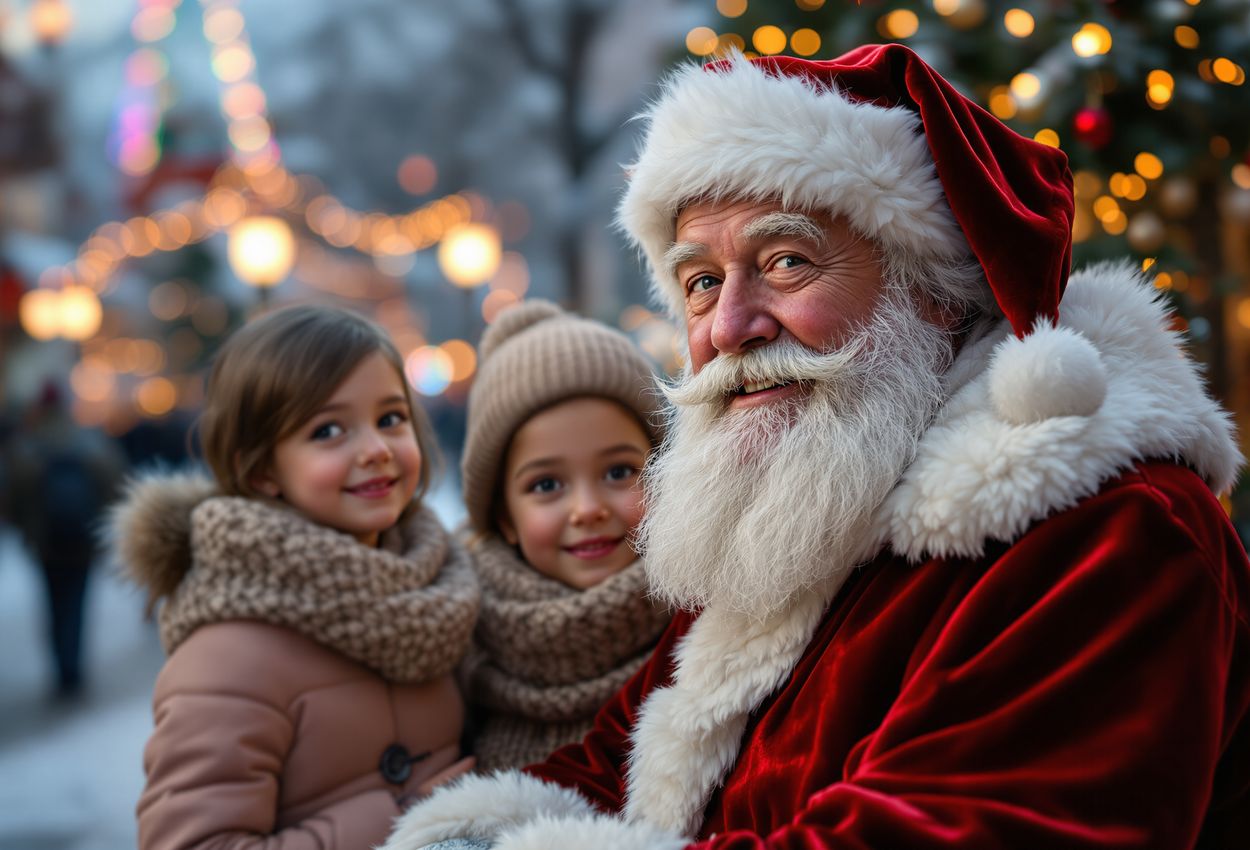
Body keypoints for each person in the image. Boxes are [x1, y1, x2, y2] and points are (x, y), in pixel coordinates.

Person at [382, 45, 1250, 850]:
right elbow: (613, 762)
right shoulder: (798, 501)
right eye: (701, 282)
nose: (728, 327)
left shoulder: (1115, 533)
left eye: (789, 262)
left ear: (938, 292)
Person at [111, 305, 480, 850]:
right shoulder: (228, 653)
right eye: (328, 430)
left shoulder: (443, 588)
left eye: (391, 418)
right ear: (262, 470)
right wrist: (401, 815)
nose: (377, 450)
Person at [457, 300, 670, 771]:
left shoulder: (713, 622)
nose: (588, 509)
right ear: (505, 517)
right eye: (546, 485)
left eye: (618, 471)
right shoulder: (456, 649)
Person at [5, 381, 125, 698]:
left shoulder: (27, 446)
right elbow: (114, 484)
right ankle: (73, 668)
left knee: (53, 604)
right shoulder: (87, 441)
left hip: (45, 542)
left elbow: (12, 496)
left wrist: (25, 528)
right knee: (77, 603)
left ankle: (61, 667)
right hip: (83, 540)